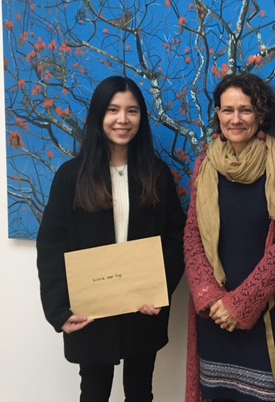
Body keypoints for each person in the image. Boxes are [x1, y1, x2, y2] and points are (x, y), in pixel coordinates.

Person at [36, 75, 186, 402]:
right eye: (113, 110)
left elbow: (176, 238)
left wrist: (159, 290)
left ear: (141, 118)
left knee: (140, 391)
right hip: (91, 308)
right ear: (98, 115)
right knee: (93, 392)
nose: (123, 119)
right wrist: (59, 310)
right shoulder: (71, 177)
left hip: (143, 306)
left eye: (132, 111)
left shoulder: (156, 174)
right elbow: (51, 247)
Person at [183, 73, 275, 402]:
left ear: (261, 115)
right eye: (228, 110)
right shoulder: (204, 166)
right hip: (212, 315)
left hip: (261, 311)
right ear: (218, 114)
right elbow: (193, 236)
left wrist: (240, 304)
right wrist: (210, 298)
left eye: (245, 110)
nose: (235, 119)